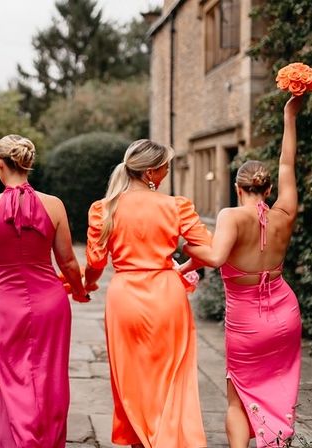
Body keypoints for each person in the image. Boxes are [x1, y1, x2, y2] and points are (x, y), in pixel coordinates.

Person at [180, 96, 303, 447]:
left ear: (238, 188)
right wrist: (288, 117)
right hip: (285, 313)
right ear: (267, 190)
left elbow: (216, 257)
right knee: (279, 385)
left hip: (248, 320)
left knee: (237, 394)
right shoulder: (284, 212)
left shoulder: (230, 216)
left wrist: (183, 242)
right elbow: (287, 164)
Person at [83, 139, 211, 448]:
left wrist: (86, 286)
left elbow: (95, 263)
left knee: (131, 378)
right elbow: (210, 250)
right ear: (151, 173)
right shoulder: (174, 206)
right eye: (165, 167)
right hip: (166, 294)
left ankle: (142, 440)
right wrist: (184, 262)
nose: (167, 172)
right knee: (172, 375)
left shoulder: (105, 208)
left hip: (124, 296)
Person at [0, 134, 88, 447]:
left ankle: (18, 440)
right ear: (28, 164)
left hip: (6, 305)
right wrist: (80, 290)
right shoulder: (55, 206)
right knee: (50, 377)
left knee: (11, 379)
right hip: (50, 301)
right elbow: (68, 261)